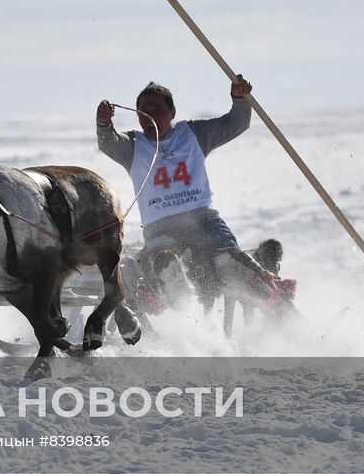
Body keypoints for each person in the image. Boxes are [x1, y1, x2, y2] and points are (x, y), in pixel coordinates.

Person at [95, 75, 289, 331]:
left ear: (172, 112)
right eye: (144, 111)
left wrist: (240, 98)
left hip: (204, 220)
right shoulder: (133, 145)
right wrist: (104, 123)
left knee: (231, 264)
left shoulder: (193, 135)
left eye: (158, 110)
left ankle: (283, 312)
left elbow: (236, 122)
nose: (151, 115)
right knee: (166, 265)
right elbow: (108, 143)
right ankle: (193, 329)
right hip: (160, 230)